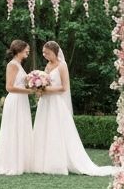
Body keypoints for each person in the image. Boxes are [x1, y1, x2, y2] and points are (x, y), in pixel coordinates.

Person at [31, 40, 113, 176]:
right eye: (44, 53)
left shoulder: (62, 66)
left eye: (48, 53)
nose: (45, 55)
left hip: (56, 102)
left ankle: (56, 164)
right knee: (43, 128)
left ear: (55, 52)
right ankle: (41, 162)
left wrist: (46, 89)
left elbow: (64, 87)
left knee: (55, 129)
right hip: (45, 102)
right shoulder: (47, 65)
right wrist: (39, 89)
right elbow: (45, 82)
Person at [0, 40, 35, 175]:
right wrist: (29, 91)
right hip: (15, 100)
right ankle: (11, 163)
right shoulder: (12, 65)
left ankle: (22, 162)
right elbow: (9, 87)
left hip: (21, 100)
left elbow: (19, 83)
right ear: (19, 50)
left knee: (21, 129)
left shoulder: (19, 65)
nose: (28, 51)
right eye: (26, 49)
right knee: (14, 129)